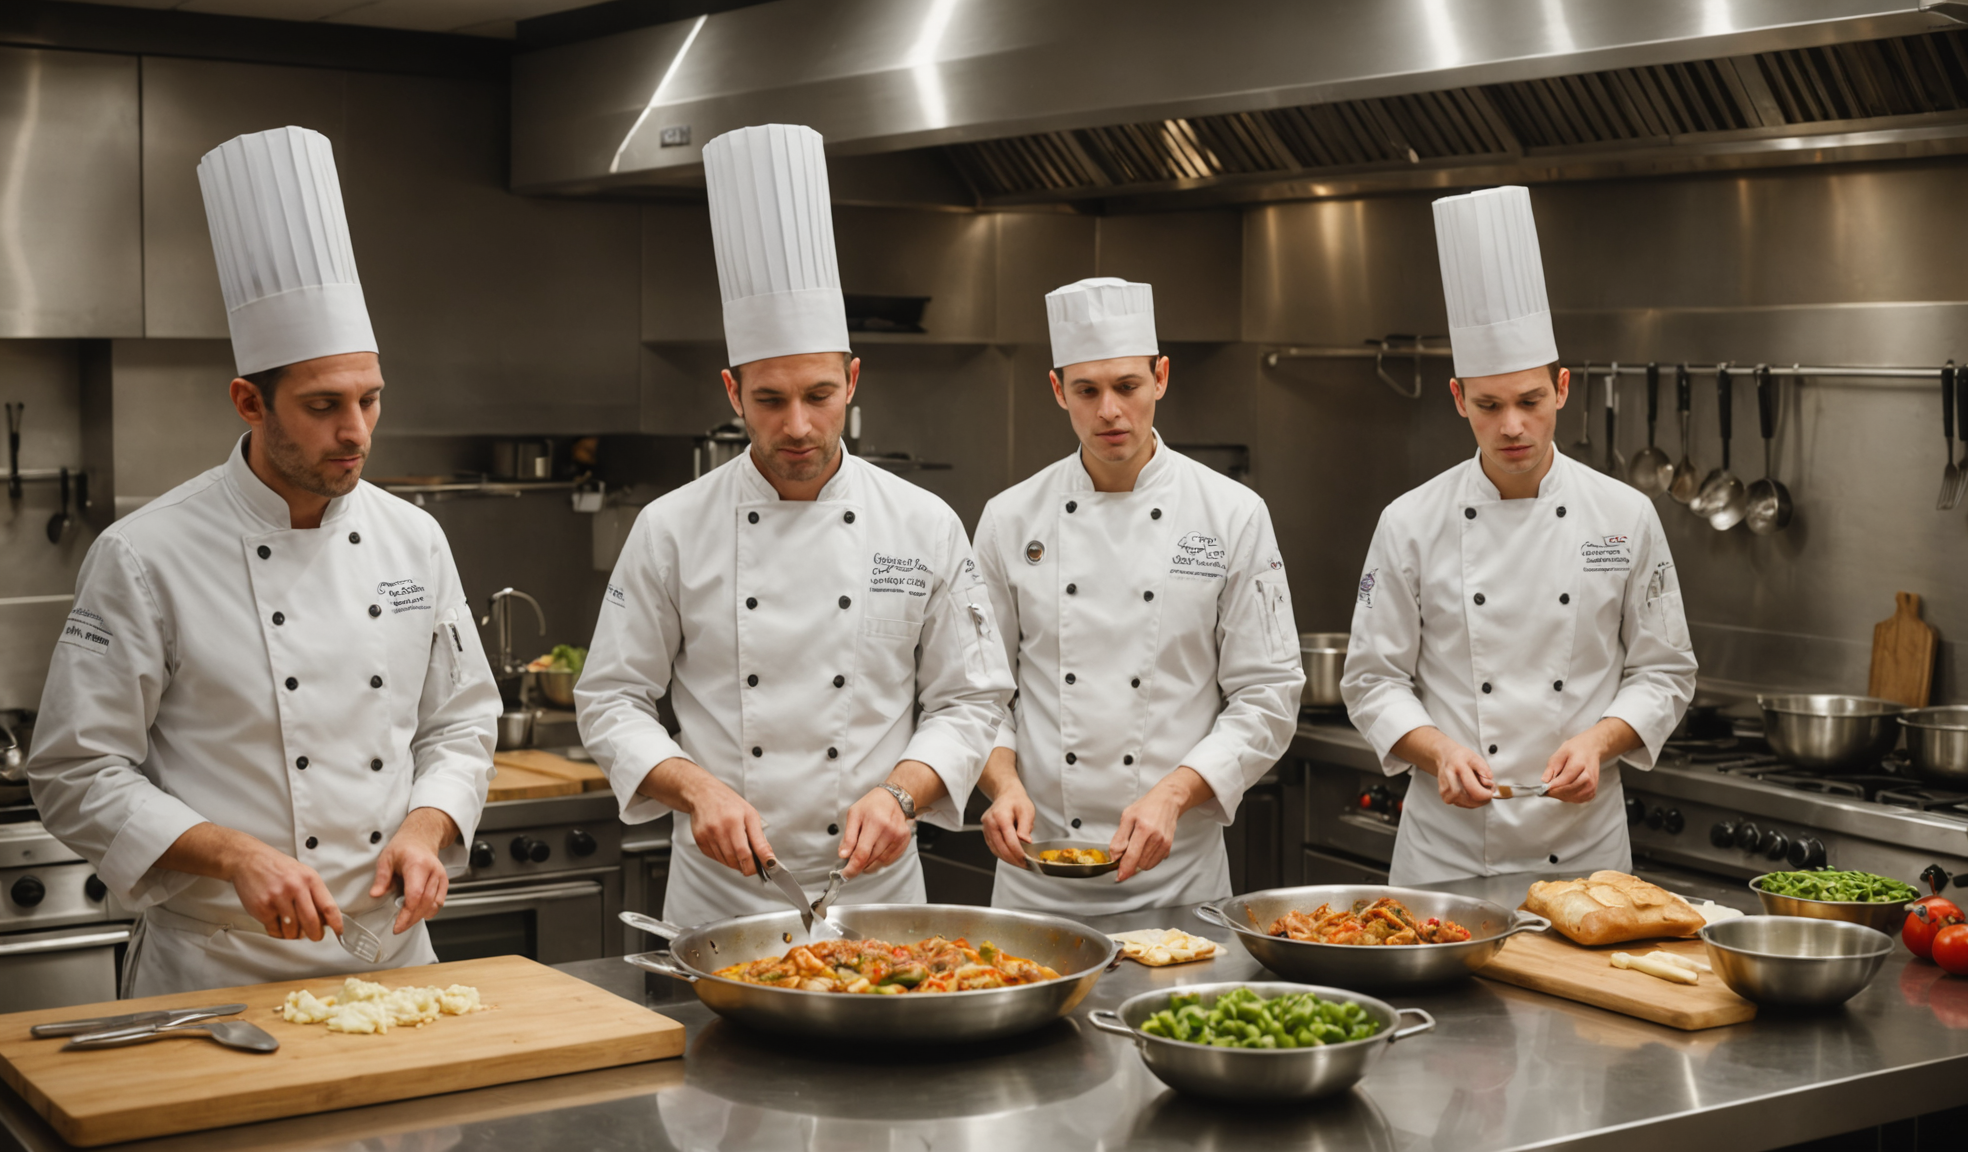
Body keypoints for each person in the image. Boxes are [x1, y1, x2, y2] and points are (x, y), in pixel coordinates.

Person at [28, 126, 501, 995]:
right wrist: (235, 853)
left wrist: (428, 826)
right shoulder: (145, 554)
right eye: (323, 406)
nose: (355, 432)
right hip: (215, 966)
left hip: (393, 960)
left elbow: (461, 724)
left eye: (370, 400)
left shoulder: (414, 537)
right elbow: (74, 769)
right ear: (249, 401)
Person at [573, 124, 1013, 925]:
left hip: (877, 893)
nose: (799, 426)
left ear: (852, 380)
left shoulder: (923, 523)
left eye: (818, 395)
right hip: (720, 897)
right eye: (770, 401)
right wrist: (696, 788)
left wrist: (900, 791)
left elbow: (970, 699)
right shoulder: (672, 527)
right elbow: (611, 700)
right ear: (731, 392)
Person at [1340, 185, 1697, 884]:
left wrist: (1600, 741)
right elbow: (1372, 681)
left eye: (1531, 401)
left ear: (1562, 387)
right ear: (1457, 399)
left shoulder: (1624, 516)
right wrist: (1439, 750)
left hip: (1585, 856)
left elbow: (1666, 671)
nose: (1512, 426)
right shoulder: (1409, 521)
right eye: (1489, 405)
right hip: (1445, 855)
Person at [971, 277, 1303, 914]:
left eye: (1127, 386)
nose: (1109, 412)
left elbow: (1268, 693)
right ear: (1056, 389)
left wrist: (1175, 794)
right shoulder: (1009, 519)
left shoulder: (1232, 514)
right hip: (1035, 874)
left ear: (1162, 377)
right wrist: (1001, 781)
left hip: (1179, 873)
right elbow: (977, 689)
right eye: (1086, 390)